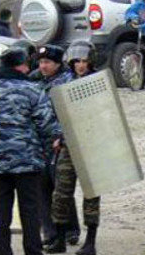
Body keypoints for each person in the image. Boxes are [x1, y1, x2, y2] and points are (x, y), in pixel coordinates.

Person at [0, 47, 62, 255]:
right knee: (30, 211)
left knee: (1, 213)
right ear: (22, 65)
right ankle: (32, 250)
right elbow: (47, 125)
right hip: (28, 162)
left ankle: (3, 252)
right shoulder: (33, 91)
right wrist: (43, 147)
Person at [49, 40, 101, 255]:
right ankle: (60, 238)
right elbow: (58, 113)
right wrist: (58, 136)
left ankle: (90, 241)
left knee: (91, 195)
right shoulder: (64, 84)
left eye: (85, 61)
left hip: (91, 145)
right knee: (61, 194)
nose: (81, 65)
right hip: (69, 145)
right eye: (77, 61)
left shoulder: (98, 84)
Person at [29, 45, 81, 250]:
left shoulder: (68, 82)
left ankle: (70, 229)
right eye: (41, 62)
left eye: (47, 62)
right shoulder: (33, 80)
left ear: (57, 64)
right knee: (42, 188)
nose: (43, 66)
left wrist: (62, 135)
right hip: (38, 141)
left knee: (62, 187)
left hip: (60, 141)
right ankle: (49, 232)